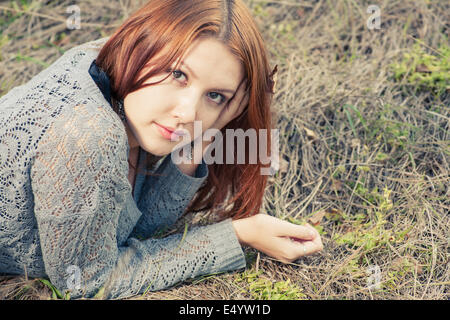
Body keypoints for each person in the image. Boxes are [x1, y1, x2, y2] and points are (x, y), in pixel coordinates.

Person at [0, 0, 323, 299]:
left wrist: (209, 131)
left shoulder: (123, 85)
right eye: (179, 74)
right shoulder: (87, 135)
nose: (187, 113)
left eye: (215, 96)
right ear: (143, 45)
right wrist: (235, 235)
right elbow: (86, 282)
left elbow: (135, 227)